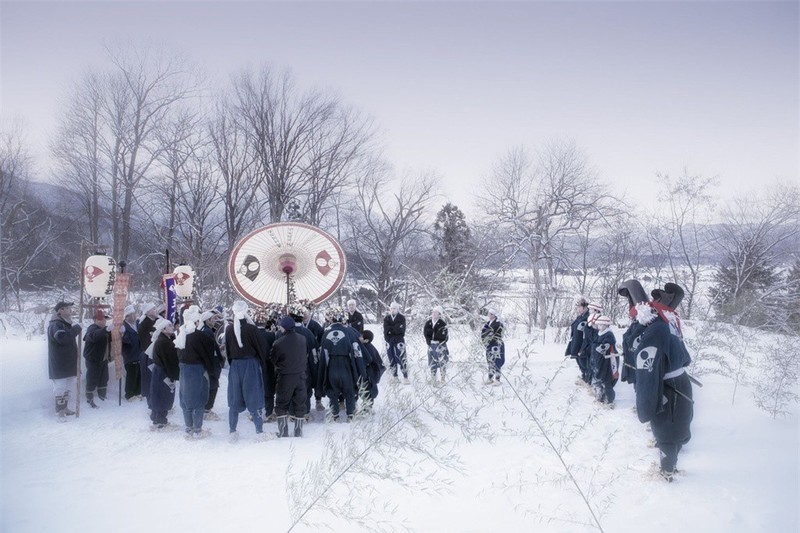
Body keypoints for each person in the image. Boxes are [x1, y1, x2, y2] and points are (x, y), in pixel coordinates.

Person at [632, 282, 693, 482]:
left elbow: (647, 366)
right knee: (676, 425)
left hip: (670, 386)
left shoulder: (656, 330)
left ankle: (667, 471)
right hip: (679, 382)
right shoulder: (668, 324)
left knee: (667, 428)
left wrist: (647, 400)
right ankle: (670, 463)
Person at [225, 300, 268, 442]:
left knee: (234, 397)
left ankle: (232, 431)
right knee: (253, 395)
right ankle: (259, 431)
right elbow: (261, 348)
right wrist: (262, 363)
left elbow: (228, 349)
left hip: (236, 366)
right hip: (250, 364)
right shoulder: (251, 329)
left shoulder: (229, 329)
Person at [320, 307, 366, 422]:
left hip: (332, 365)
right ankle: (350, 415)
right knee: (349, 390)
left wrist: (324, 370)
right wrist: (361, 370)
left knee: (333, 391)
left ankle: (335, 415)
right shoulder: (349, 331)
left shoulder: (326, 332)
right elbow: (357, 351)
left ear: (331, 318)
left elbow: (323, 354)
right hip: (346, 364)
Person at [176, 307, 216, 439]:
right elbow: (208, 354)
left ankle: (188, 428)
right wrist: (211, 370)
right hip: (198, 370)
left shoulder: (181, 334)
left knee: (185, 399)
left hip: (184, 370)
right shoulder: (200, 336)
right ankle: (198, 429)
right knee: (199, 400)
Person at [272, 316, 308, 437]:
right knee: (300, 403)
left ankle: (283, 432)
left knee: (281, 404)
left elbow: (273, 360)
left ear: (284, 327)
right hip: (301, 376)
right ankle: (298, 431)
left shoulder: (278, 343)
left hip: (285, 377)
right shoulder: (303, 339)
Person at [47, 301, 81, 421]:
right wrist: (76, 329)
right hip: (59, 364)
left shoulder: (65, 324)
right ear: (60, 311)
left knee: (68, 388)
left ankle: (64, 408)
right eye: (67, 308)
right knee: (60, 388)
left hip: (68, 363)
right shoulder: (56, 325)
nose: (70, 310)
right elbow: (63, 339)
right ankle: (59, 412)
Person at [287, 303, 321, 421]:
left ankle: (292, 413)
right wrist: (314, 367)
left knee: (291, 389)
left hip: (288, 367)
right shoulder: (307, 333)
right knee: (305, 389)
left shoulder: (285, 332)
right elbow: (313, 352)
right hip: (304, 366)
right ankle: (305, 413)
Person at [618, 280, 650, 389]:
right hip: (633, 356)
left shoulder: (645, 317)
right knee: (637, 384)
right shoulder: (635, 319)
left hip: (642, 358)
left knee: (642, 384)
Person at [148, 318, 178, 430]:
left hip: (160, 371)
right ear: (163, 329)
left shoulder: (163, 340)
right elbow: (170, 360)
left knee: (158, 394)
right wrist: (174, 375)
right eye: (169, 326)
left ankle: (156, 418)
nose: (172, 327)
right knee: (163, 395)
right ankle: (160, 421)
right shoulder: (164, 342)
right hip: (164, 372)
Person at [253, 304, 279, 422]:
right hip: (268, 365)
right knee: (268, 389)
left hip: (254, 365)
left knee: (255, 388)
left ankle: (255, 411)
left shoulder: (251, 335)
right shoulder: (271, 335)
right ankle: (268, 412)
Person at [199, 309, 226, 420]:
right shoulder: (207, 331)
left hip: (210, 363)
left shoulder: (206, 330)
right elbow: (209, 350)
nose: (215, 321)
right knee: (213, 386)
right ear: (207, 320)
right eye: (213, 319)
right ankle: (207, 410)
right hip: (211, 364)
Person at [83, 308, 112, 408]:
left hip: (103, 359)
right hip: (93, 360)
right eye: (100, 319)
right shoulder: (92, 328)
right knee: (92, 379)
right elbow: (94, 336)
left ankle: (102, 397)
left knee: (104, 378)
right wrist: (106, 330)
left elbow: (112, 338)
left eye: (104, 319)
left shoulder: (105, 330)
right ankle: (89, 399)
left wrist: (119, 331)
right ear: (95, 321)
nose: (103, 321)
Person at [589, 315, 618, 406]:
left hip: (608, 361)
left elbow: (604, 346)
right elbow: (595, 344)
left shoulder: (608, 335)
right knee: (601, 379)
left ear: (605, 325)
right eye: (598, 325)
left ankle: (610, 400)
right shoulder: (600, 334)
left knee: (607, 380)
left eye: (601, 325)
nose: (598, 327)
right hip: (601, 361)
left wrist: (599, 346)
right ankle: (602, 396)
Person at [137, 303, 161, 406]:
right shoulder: (144, 324)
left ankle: (158, 402)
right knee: (149, 379)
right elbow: (146, 342)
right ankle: (151, 404)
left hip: (156, 354)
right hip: (148, 354)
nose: (156, 310)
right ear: (148, 312)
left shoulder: (156, 321)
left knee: (157, 379)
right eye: (153, 309)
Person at [383, 302, 408, 383]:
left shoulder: (401, 318)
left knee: (401, 357)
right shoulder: (387, 318)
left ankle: (405, 377)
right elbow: (386, 329)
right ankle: (395, 377)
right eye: (391, 308)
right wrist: (392, 330)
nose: (392, 310)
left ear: (397, 309)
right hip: (389, 340)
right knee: (391, 358)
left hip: (399, 340)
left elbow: (400, 329)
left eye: (394, 308)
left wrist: (391, 329)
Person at [360, 330, 386, 409]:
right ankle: (367, 407)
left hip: (370, 373)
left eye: (361, 336)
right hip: (371, 372)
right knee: (368, 390)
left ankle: (367, 408)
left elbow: (369, 361)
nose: (359, 337)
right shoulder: (368, 346)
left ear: (366, 340)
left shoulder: (367, 348)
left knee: (368, 390)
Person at [121, 305, 142, 401]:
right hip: (130, 354)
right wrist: (122, 335)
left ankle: (138, 392)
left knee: (139, 374)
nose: (134, 316)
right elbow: (124, 342)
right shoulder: (123, 327)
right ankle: (129, 394)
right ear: (127, 317)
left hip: (139, 352)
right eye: (131, 315)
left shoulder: (137, 324)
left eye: (134, 314)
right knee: (131, 375)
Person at [565, 299, 589, 382]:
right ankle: (584, 376)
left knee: (584, 362)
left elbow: (587, 334)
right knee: (579, 362)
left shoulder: (588, 317)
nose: (577, 309)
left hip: (582, 344)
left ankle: (588, 379)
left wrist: (583, 347)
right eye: (577, 307)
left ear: (584, 306)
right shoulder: (580, 316)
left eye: (579, 307)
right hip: (576, 342)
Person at [423, 306, 449, 383]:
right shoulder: (428, 323)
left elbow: (442, 336)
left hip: (440, 345)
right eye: (433, 312)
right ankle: (433, 378)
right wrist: (430, 337)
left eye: (435, 312)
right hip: (431, 345)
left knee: (442, 361)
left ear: (439, 314)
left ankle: (443, 378)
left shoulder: (443, 324)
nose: (433, 314)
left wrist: (432, 333)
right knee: (432, 361)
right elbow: (425, 333)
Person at [481, 309, 504, 386]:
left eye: (490, 314)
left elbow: (498, 334)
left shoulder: (498, 324)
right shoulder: (488, 323)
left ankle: (497, 379)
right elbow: (483, 333)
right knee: (490, 360)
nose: (489, 316)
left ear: (493, 315)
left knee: (497, 360)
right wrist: (485, 340)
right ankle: (490, 378)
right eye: (488, 314)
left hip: (496, 344)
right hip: (489, 345)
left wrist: (490, 337)